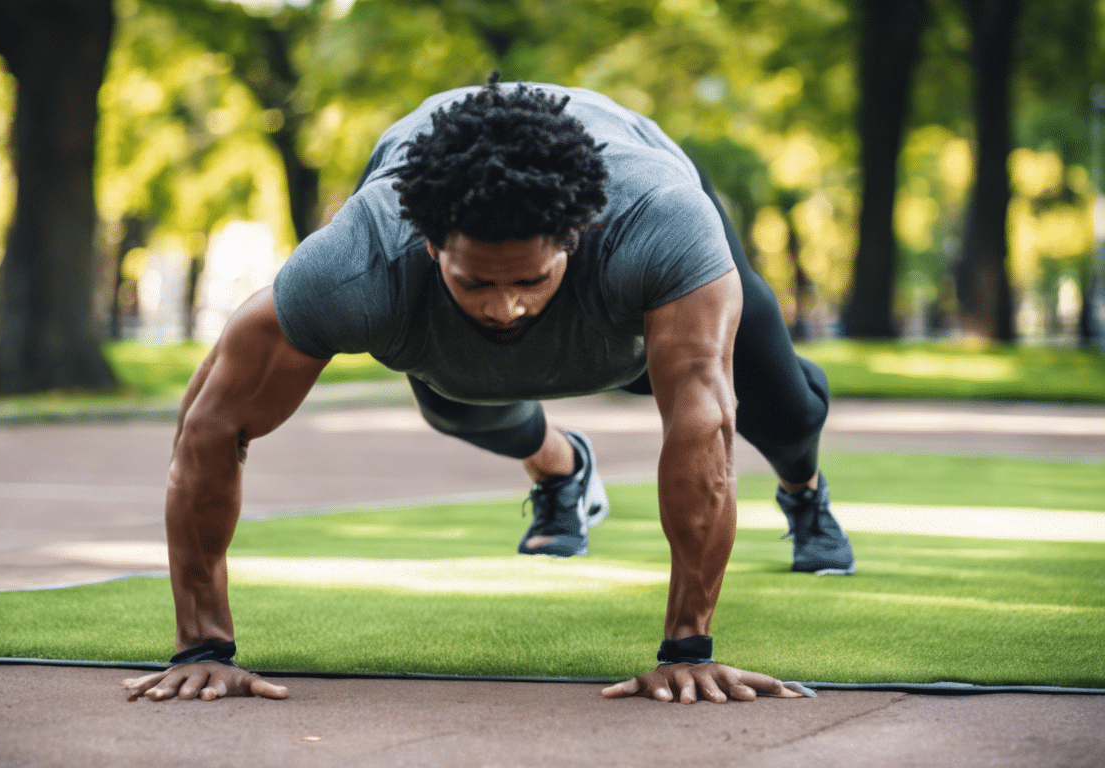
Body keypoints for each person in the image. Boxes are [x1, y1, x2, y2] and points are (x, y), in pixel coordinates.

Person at [122, 77, 855, 705]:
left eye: (528, 281)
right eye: (477, 282)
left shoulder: (658, 225)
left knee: (779, 411)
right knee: (462, 399)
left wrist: (688, 653)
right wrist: (202, 651)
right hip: (458, 341)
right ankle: (561, 470)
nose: (505, 307)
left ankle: (805, 491)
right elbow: (211, 427)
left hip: (637, 280)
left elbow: (701, 425)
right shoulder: (357, 263)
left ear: (574, 238)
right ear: (431, 243)